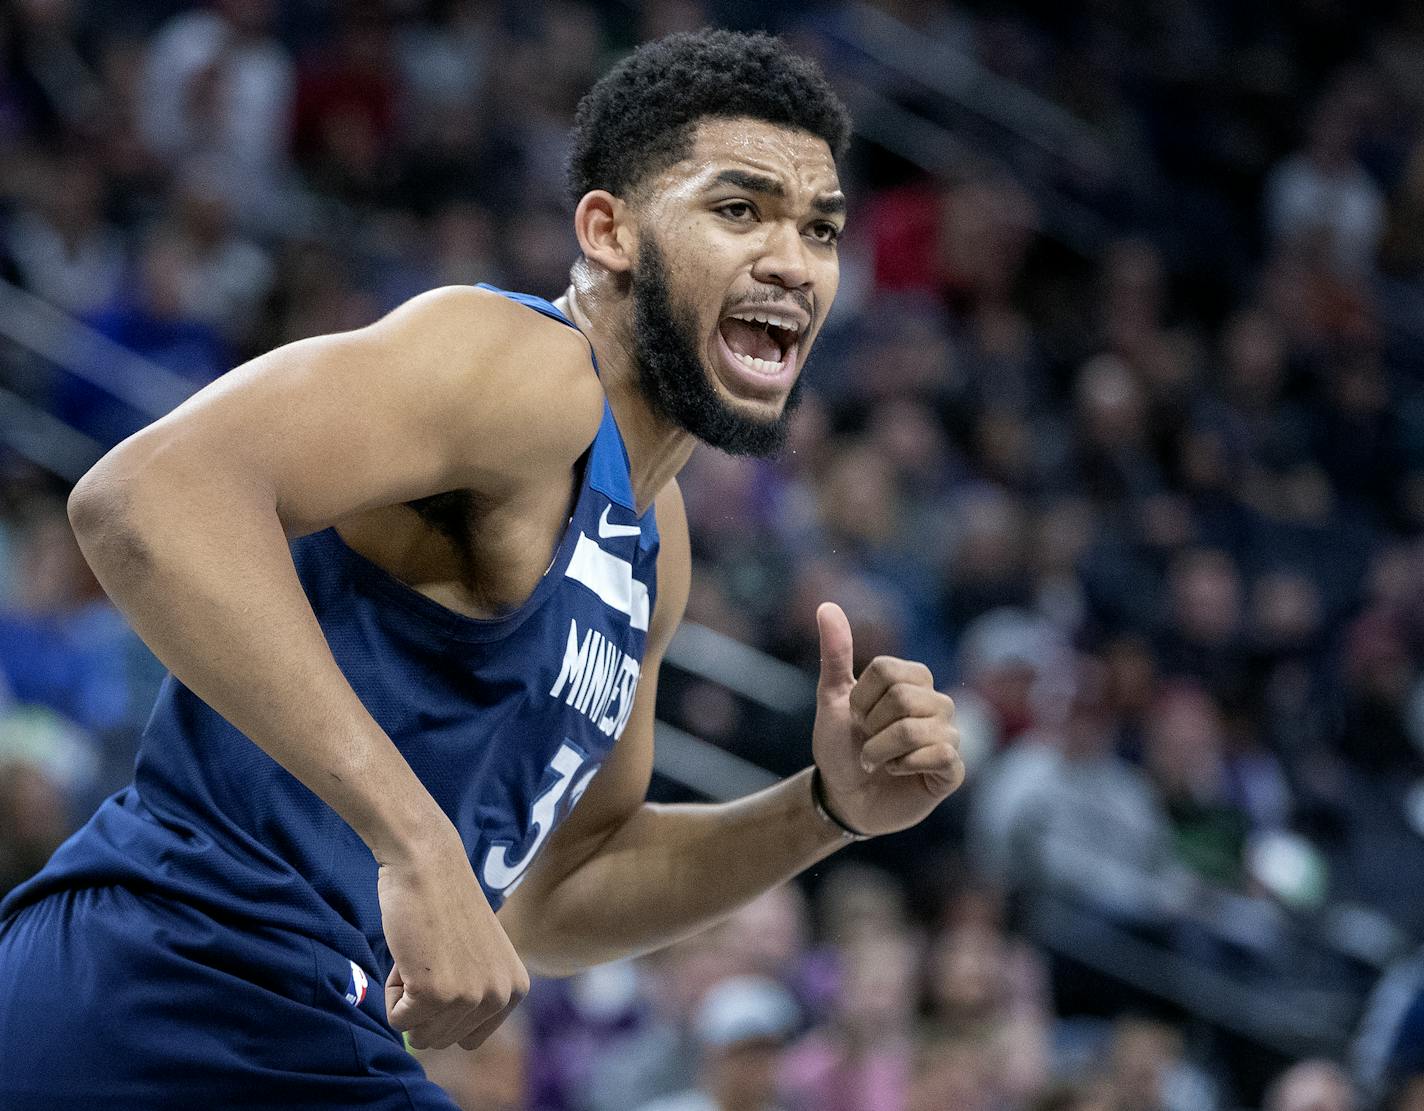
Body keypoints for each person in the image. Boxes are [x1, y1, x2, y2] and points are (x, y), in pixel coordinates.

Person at [0, 29, 964, 1109]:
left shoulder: (660, 540)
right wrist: (414, 840)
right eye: (738, 210)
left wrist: (823, 809)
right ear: (609, 233)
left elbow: (562, 894)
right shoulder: (525, 372)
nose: (793, 259)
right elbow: (144, 497)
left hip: (280, 1017)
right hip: (171, 975)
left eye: (820, 229)